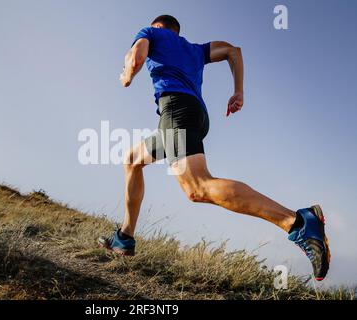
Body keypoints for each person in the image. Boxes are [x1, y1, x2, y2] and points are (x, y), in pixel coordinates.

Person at [98, 15, 330, 280]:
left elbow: (136, 56)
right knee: (132, 159)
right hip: (194, 115)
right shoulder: (196, 50)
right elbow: (233, 51)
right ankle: (125, 237)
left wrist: (127, 74)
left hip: (176, 112)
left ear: (159, 26)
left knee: (197, 187)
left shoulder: (152, 32)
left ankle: (298, 222)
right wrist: (238, 91)